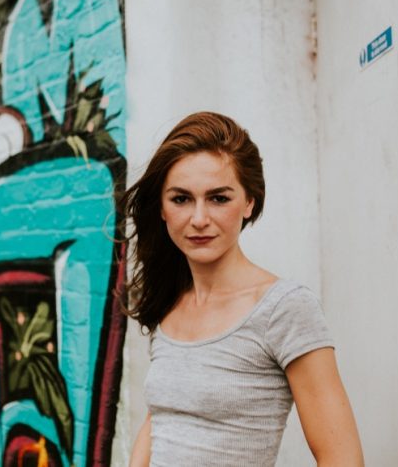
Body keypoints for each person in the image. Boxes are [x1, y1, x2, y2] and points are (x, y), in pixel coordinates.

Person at [125, 112, 363, 466]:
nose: (199, 218)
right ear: (161, 208)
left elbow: (341, 457)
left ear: (249, 201)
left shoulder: (283, 308)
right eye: (181, 199)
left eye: (219, 198)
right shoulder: (171, 302)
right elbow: (160, 420)